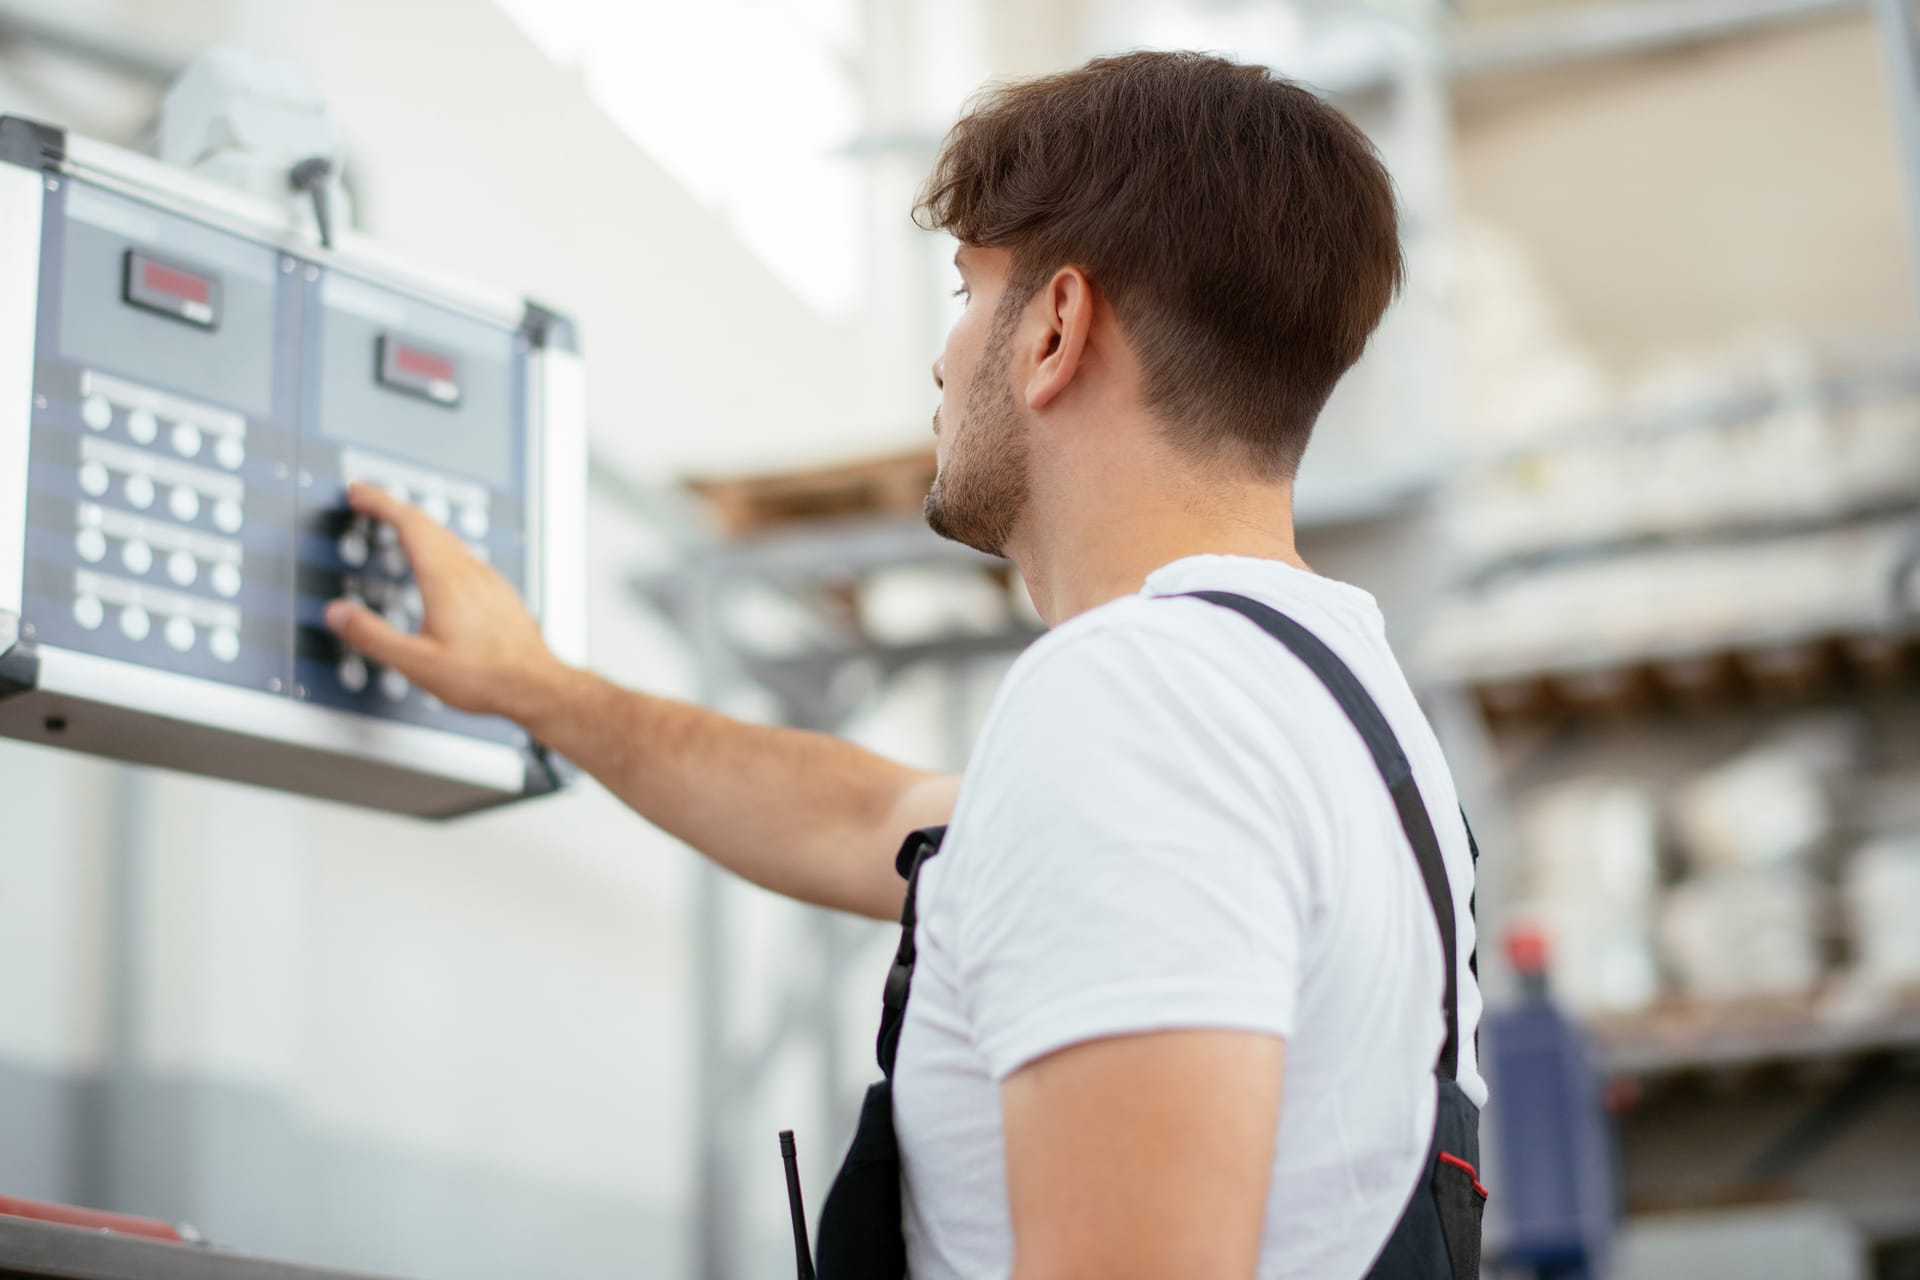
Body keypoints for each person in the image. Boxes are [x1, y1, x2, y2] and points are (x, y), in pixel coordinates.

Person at [326, 49, 1486, 1280]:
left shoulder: (1133, 699)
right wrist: (531, 682)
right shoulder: (1332, 715)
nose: (943, 360)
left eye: (965, 291)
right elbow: (870, 817)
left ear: (1055, 326)